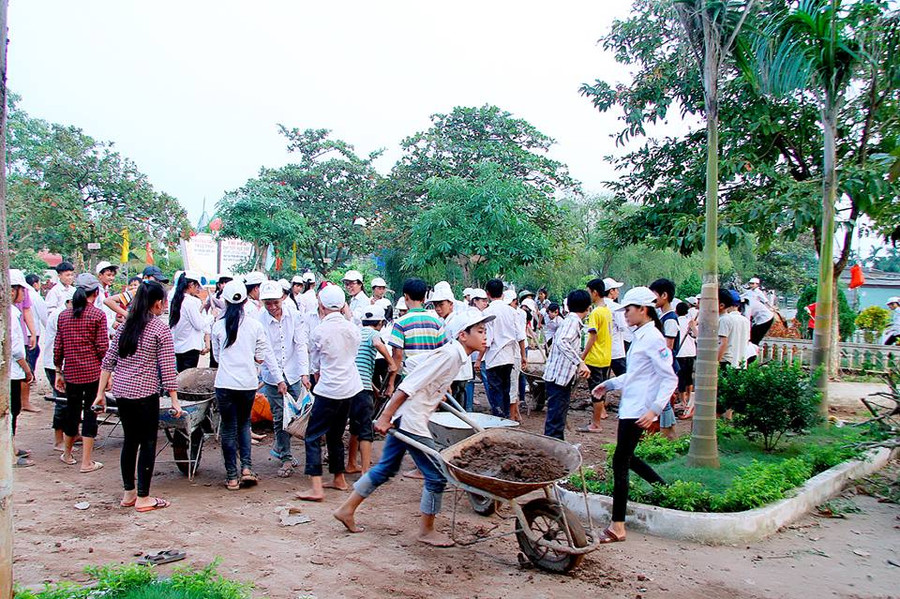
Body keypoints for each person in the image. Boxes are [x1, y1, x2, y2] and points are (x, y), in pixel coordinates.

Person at [333, 311, 495, 547]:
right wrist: (385, 416)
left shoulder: (455, 354)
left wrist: (437, 390)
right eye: (480, 332)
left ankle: (346, 509)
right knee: (437, 475)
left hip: (410, 416)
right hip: (411, 420)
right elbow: (409, 384)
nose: (485, 337)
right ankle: (426, 531)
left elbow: (416, 364)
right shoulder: (451, 355)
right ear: (462, 335)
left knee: (386, 468)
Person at [590, 287, 676, 544]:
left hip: (639, 409)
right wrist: (610, 384)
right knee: (626, 457)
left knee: (620, 461)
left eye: (628, 309)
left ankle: (617, 526)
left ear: (643, 309)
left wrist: (654, 410)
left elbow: (669, 378)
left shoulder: (653, 338)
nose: (625, 314)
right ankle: (664, 489)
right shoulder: (641, 336)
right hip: (632, 407)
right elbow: (637, 375)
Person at [93, 280, 184, 512]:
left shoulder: (125, 325)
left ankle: (129, 493)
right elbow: (167, 367)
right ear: (156, 303)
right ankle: (144, 497)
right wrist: (174, 400)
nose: (165, 306)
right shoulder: (158, 328)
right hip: (144, 394)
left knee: (130, 441)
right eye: (163, 302)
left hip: (122, 392)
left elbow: (108, 361)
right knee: (148, 442)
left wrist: (100, 394)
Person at [211, 279, 280, 491]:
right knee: (244, 425)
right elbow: (261, 358)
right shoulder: (255, 326)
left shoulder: (218, 326)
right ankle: (247, 469)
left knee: (228, 429)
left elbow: (217, 356)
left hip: (225, 383)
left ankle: (231, 476)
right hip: (247, 384)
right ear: (245, 301)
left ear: (226, 301)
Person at [297, 284, 363, 501]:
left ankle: (316, 488)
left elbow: (315, 362)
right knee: (335, 434)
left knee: (313, 436)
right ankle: (338, 478)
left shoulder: (320, 330)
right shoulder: (352, 328)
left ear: (321, 306)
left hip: (329, 388)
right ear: (343, 305)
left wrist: (316, 374)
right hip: (350, 387)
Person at [54, 273, 108, 473]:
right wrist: (107, 375)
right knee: (91, 414)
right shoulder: (97, 315)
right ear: (96, 292)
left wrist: (59, 371)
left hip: (72, 372)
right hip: (93, 373)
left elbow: (58, 346)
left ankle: (68, 454)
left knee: (72, 412)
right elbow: (103, 348)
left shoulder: (64, 316)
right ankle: (87, 461)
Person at [257, 280, 311, 478]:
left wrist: (304, 373)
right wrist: (279, 380)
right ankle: (286, 457)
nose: (272, 307)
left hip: (294, 372)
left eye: (275, 303)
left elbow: (300, 344)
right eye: (267, 303)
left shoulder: (294, 316)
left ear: (283, 298)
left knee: (304, 414)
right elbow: (268, 352)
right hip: (272, 377)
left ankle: (311, 457)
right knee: (280, 418)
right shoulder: (259, 319)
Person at [347, 303, 397, 474]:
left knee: (355, 426)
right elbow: (377, 344)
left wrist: (375, 390)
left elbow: (362, 370)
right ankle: (366, 470)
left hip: (352, 385)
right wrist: (391, 363)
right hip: (361, 388)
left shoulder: (357, 332)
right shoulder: (374, 333)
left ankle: (352, 463)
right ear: (381, 323)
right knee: (366, 428)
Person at [542, 290, 592, 439]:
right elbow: (562, 341)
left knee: (557, 419)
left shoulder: (570, 321)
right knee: (555, 421)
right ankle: (552, 452)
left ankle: (556, 448)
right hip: (558, 379)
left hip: (560, 378)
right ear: (588, 307)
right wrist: (580, 363)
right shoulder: (572, 321)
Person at [386, 278, 448, 395]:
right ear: (424, 298)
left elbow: (397, 356)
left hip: (411, 378)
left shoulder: (400, 323)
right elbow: (443, 353)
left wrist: (391, 384)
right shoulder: (437, 323)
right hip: (432, 378)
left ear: (406, 297)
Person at [480, 279, 525, 419]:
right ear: (503, 294)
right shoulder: (512, 312)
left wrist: (479, 359)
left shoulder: (487, 312)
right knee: (506, 389)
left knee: (495, 390)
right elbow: (520, 336)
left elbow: (487, 339)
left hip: (494, 357)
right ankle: (506, 417)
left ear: (488, 294)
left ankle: (497, 418)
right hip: (509, 356)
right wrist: (524, 355)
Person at [43, 287, 75, 451]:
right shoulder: (59, 316)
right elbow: (60, 345)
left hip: (64, 364)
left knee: (70, 401)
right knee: (62, 401)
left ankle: (71, 434)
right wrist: (58, 369)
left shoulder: (68, 314)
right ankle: (58, 440)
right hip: (55, 364)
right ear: (69, 302)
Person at [9, 269, 36, 467]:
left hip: (11, 370)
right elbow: (16, 349)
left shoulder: (12, 311)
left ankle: (11, 447)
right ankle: (8, 452)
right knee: (11, 411)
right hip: (12, 371)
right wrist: (27, 370)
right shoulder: (10, 314)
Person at [649, 278, 680, 440]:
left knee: (665, 404)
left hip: (666, 369)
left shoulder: (670, 320)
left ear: (664, 295)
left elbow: (667, 349)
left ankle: (670, 437)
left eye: (654, 295)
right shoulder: (664, 317)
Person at [581, 279, 613, 431]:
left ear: (594, 292)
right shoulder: (606, 310)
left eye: (588, 291)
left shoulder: (595, 312)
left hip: (595, 357)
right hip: (606, 357)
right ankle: (597, 420)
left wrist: (582, 356)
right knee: (600, 390)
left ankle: (596, 423)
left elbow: (592, 337)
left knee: (595, 392)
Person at [169, 271, 212, 372]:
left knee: (180, 376)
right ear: (191, 285)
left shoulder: (176, 299)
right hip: (190, 348)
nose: (198, 290)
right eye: (197, 286)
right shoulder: (192, 301)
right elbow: (199, 325)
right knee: (188, 380)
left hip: (178, 347)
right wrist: (211, 316)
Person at [675, 301, 698, 418]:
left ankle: (682, 401)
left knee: (681, 377)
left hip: (680, 353)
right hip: (691, 352)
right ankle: (689, 399)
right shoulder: (691, 322)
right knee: (689, 377)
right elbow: (696, 335)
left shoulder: (676, 322)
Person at [717, 288, 750, 369]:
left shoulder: (725, 319)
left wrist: (716, 361)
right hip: (741, 363)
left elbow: (723, 343)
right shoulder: (745, 320)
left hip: (726, 362)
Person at [603, 277, 628, 376]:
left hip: (603, 348)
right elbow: (623, 326)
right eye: (616, 289)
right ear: (611, 291)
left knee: (602, 379)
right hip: (615, 349)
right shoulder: (616, 308)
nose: (618, 292)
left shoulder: (599, 307)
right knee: (625, 378)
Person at [744, 277, 775, 345]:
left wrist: (771, 307)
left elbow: (765, 300)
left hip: (764, 318)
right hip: (756, 317)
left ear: (757, 285)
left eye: (753, 284)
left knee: (754, 339)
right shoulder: (748, 292)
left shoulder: (758, 292)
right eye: (750, 283)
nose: (751, 285)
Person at [95, 261, 119, 332]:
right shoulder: (96, 292)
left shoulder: (107, 292)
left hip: (108, 330)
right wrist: (111, 323)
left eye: (113, 275)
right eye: (108, 275)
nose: (111, 278)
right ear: (100, 275)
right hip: (100, 328)